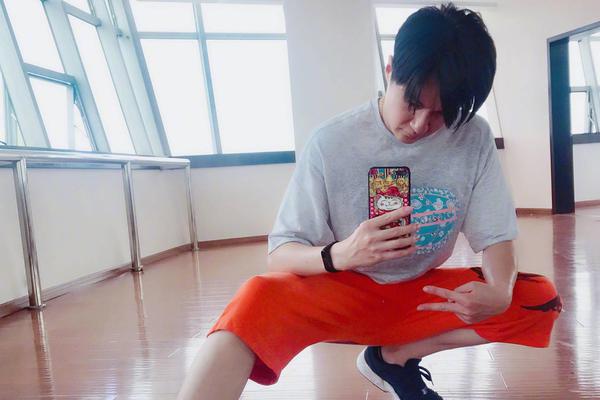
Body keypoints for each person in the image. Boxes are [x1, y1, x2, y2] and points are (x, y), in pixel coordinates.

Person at [177, 3, 562, 400]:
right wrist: (343, 254)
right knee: (254, 298)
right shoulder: (332, 142)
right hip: (343, 293)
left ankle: (394, 357)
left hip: (423, 296)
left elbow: (496, 236)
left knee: (538, 298)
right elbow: (281, 254)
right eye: (412, 104)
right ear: (390, 69)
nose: (420, 125)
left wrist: (499, 291)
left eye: (441, 114)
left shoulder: (472, 137)